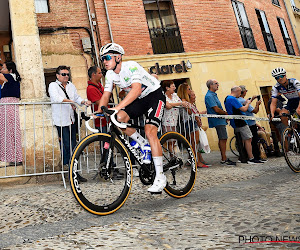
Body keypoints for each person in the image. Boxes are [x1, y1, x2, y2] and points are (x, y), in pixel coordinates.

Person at [97, 43, 166, 193]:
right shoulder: (109, 74)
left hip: (155, 95)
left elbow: (135, 90)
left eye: (107, 57)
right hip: (141, 99)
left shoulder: (131, 66)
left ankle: (160, 177)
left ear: (118, 57)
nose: (104, 61)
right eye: (102, 59)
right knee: (119, 118)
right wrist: (98, 111)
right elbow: (105, 95)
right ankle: (142, 144)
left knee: (150, 131)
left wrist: (116, 107)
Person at [48, 65, 90, 182]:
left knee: (73, 145)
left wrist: (83, 101)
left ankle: (74, 171)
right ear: (57, 75)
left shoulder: (71, 85)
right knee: (67, 146)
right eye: (63, 74)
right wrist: (71, 101)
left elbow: (76, 97)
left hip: (71, 119)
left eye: (67, 74)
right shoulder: (53, 85)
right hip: (61, 120)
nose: (66, 76)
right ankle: (70, 171)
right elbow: (56, 98)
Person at [224, 86, 263, 164]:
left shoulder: (227, 98)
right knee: (248, 139)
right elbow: (244, 109)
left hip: (235, 122)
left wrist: (250, 100)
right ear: (238, 91)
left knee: (242, 140)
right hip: (240, 122)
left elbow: (242, 105)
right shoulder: (232, 99)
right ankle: (251, 158)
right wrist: (248, 103)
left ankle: (244, 157)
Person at [205, 79, 236, 166]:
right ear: (211, 85)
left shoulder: (213, 95)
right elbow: (216, 109)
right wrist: (226, 114)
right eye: (216, 83)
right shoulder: (209, 96)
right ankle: (224, 158)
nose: (218, 84)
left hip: (220, 118)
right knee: (223, 137)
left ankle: (224, 157)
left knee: (223, 138)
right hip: (217, 120)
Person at [0, 61, 23, 167]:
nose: (2, 70)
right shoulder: (11, 79)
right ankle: (14, 157)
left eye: (3, 68)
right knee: (11, 132)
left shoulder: (10, 76)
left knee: (10, 132)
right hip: (9, 106)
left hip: (8, 106)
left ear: (10, 70)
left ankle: (14, 157)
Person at [237, 85, 265, 162]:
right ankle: (255, 157)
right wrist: (257, 104)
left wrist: (252, 99)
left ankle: (247, 156)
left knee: (248, 141)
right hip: (250, 123)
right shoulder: (242, 101)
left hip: (246, 123)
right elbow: (255, 111)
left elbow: (247, 104)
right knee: (254, 141)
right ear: (244, 92)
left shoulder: (239, 100)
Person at [189, 90, 211, 167]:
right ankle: (196, 161)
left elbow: (196, 114)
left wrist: (201, 113)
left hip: (196, 125)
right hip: (193, 125)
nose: (195, 97)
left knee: (196, 143)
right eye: (193, 95)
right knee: (195, 143)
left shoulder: (193, 105)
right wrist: (198, 120)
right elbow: (194, 115)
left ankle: (199, 159)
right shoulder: (190, 105)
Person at [86, 66, 107, 132]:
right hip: (100, 120)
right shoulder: (91, 89)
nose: (101, 75)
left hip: (106, 119)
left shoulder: (99, 86)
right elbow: (100, 103)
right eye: (99, 73)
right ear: (93, 74)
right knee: (104, 139)